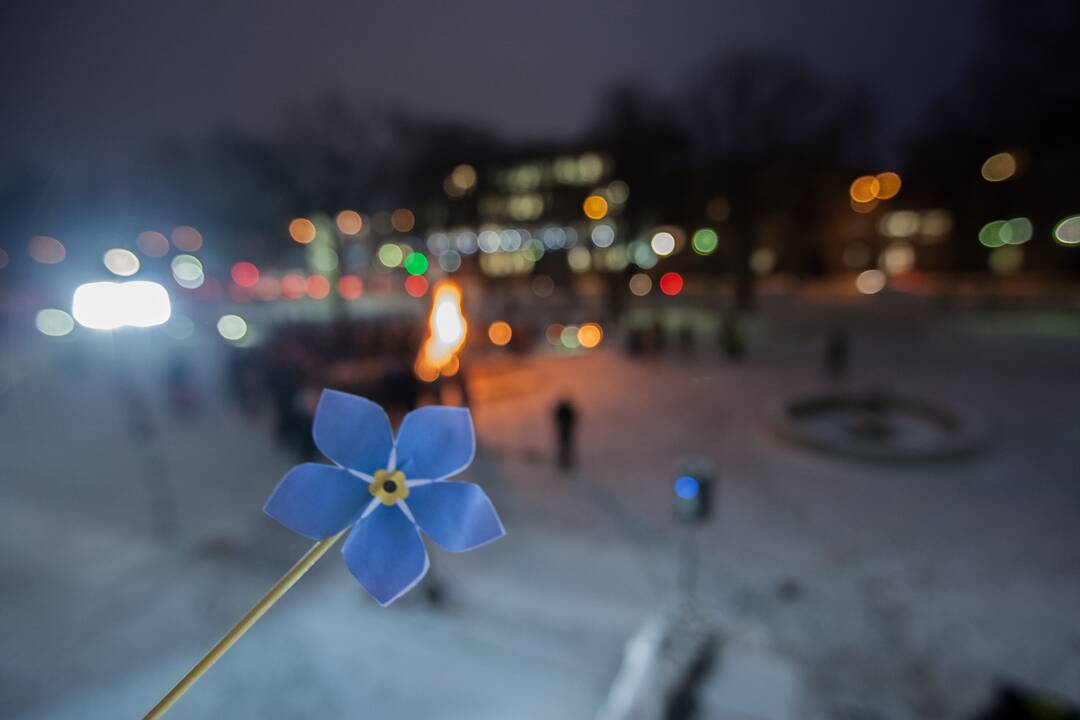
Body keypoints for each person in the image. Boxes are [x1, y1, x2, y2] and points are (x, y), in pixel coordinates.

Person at [553, 396, 578, 471]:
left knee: (565, 446)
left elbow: (573, 418)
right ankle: (564, 461)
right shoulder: (565, 409)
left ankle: (565, 461)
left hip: (565, 429)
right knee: (564, 446)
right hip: (564, 430)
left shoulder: (564, 409)